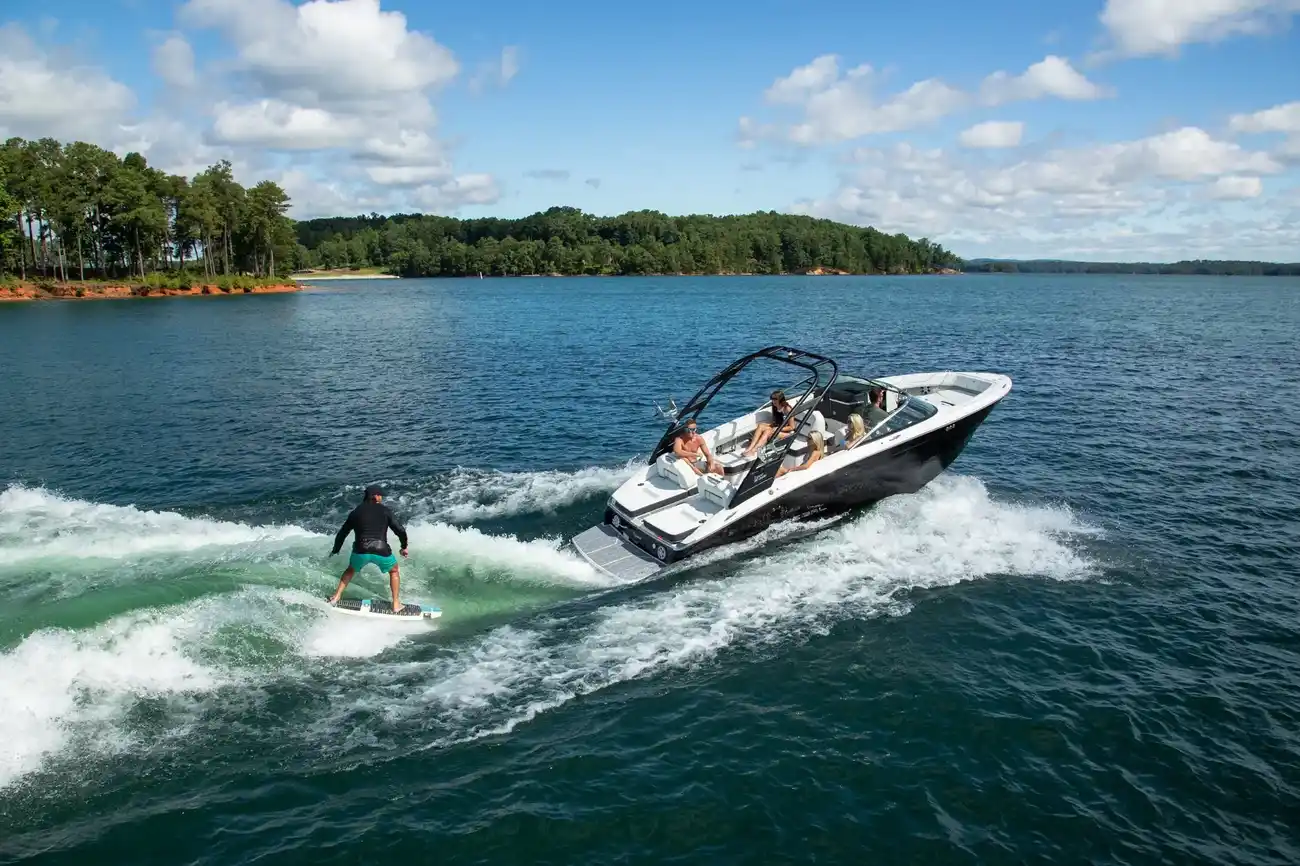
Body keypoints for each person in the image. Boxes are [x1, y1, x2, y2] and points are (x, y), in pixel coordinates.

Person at [328, 484, 410, 610]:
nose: (381, 498)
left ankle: (336, 597)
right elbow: (400, 530)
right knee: (394, 571)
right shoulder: (385, 510)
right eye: (380, 495)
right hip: (381, 549)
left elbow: (342, 533)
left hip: (360, 550)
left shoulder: (355, 512)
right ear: (375, 496)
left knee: (350, 570)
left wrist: (336, 549)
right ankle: (395, 604)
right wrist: (403, 547)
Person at [742, 389, 797, 457]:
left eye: (775, 399)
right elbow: (776, 422)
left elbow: (792, 427)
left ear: (781, 399)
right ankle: (750, 447)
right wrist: (770, 426)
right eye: (772, 399)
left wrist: (777, 428)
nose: (773, 401)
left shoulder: (787, 409)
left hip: (787, 433)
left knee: (768, 431)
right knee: (761, 425)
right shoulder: (775, 407)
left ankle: (753, 450)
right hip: (778, 428)